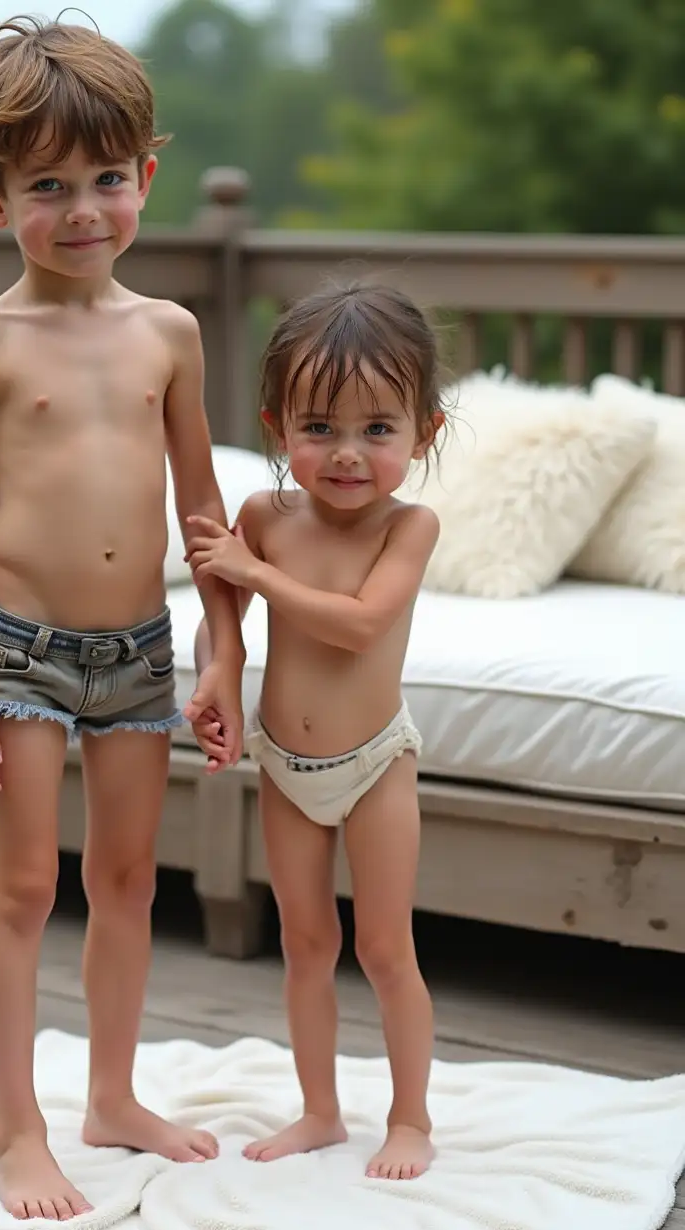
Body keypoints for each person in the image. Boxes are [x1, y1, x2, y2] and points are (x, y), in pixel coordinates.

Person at [0, 15, 246, 1222]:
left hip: (140, 654)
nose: (82, 212)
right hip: (19, 652)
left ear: (144, 179)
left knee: (125, 880)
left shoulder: (169, 332)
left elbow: (205, 507)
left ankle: (110, 1095)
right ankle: (19, 1127)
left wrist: (222, 650)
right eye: (46, 187)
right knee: (22, 888)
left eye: (106, 181)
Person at [186, 280, 447, 1181]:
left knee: (382, 945)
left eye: (378, 430)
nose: (346, 455)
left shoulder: (410, 525)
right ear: (277, 427)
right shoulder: (263, 520)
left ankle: (409, 1118)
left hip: (375, 762)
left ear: (426, 431)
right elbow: (220, 611)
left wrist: (253, 575)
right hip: (283, 761)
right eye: (320, 428)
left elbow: (359, 623)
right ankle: (321, 1111)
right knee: (305, 942)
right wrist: (215, 671)